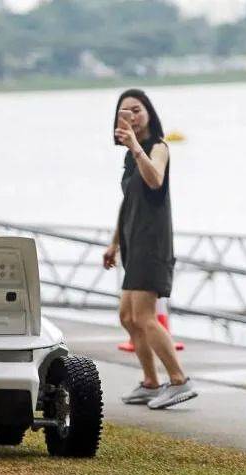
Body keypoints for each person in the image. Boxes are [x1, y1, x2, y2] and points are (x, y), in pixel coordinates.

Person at [103, 89, 197, 410]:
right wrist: (114, 242)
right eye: (125, 111)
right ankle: (150, 382)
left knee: (144, 316)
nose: (132, 116)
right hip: (134, 243)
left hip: (152, 243)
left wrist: (135, 146)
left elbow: (155, 179)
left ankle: (180, 380)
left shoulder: (158, 147)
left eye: (137, 109)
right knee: (127, 316)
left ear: (148, 114)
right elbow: (128, 202)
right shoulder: (129, 157)